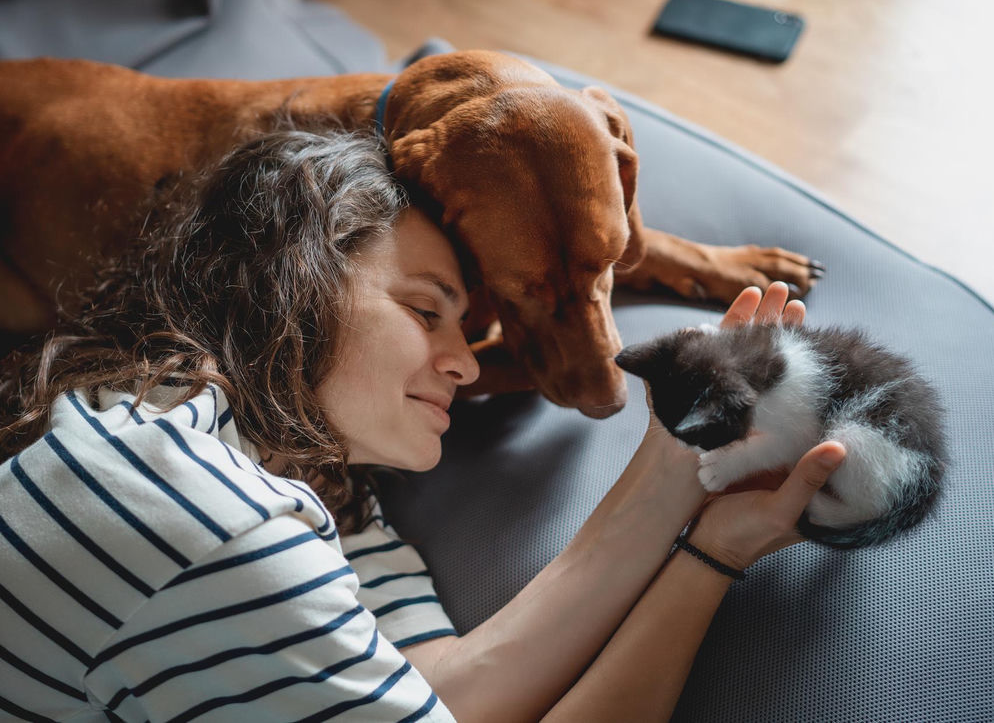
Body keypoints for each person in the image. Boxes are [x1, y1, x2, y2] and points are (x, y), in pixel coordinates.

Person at [0, 128, 846, 722]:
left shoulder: (315, 480)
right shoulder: (201, 513)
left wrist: (676, 481)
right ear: (295, 276)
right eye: (425, 310)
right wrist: (711, 564)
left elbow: (450, 692)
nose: (468, 364)